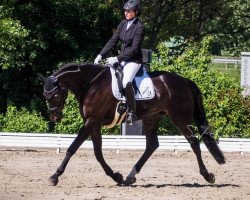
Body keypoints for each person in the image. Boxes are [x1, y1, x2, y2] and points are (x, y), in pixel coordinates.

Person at [94, 0, 144, 125]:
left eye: (129, 11)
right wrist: (100, 55)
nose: (126, 13)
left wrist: (117, 58)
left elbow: (134, 49)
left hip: (133, 60)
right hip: (122, 58)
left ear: (135, 12)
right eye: (125, 11)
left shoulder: (140, 27)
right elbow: (113, 40)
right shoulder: (122, 23)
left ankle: (132, 112)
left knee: (126, 81)